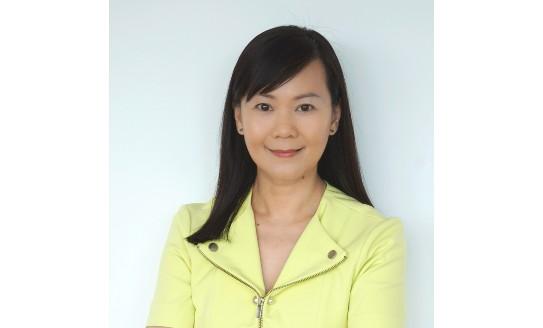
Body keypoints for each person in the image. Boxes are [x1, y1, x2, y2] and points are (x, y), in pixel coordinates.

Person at [145, 25, 406, 328]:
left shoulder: (374, 238)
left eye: (304, 107)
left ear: (334, 117)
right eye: (264, 106)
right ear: (239, 117)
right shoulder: (192, 229)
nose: (284, 129)